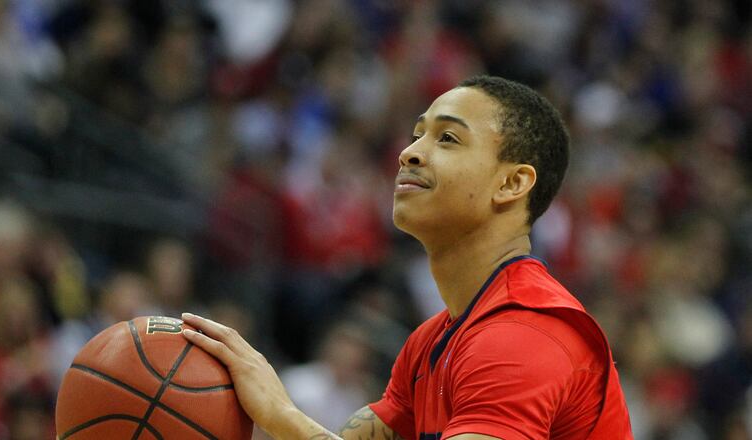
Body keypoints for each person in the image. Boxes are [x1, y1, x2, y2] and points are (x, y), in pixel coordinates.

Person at [181, 74, 634, 439]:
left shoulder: (525, 334)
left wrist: (281, 414)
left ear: (512, 184)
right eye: (417, 134)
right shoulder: (429, 343)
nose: (409, 153)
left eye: (448, 139)